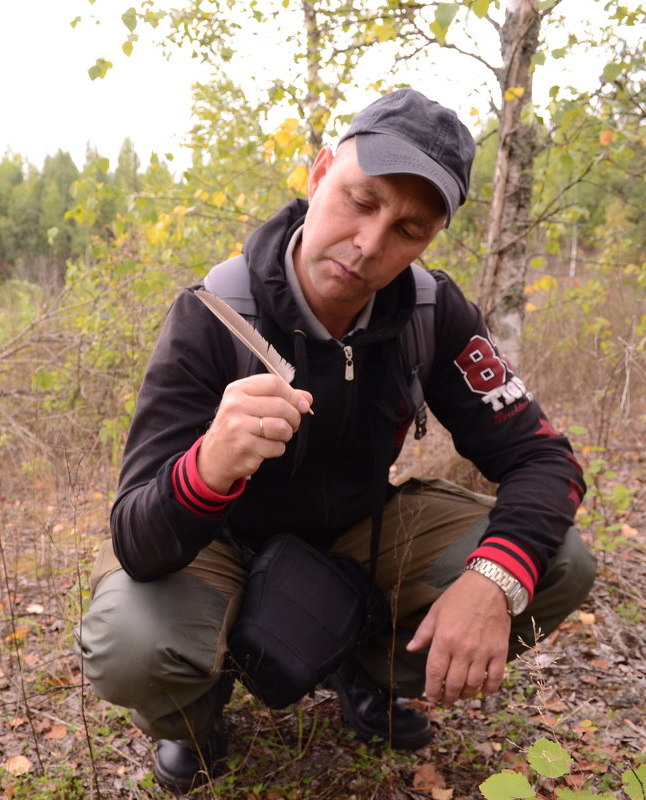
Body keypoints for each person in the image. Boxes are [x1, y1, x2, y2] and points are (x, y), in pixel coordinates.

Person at [77, 87, 596, 794]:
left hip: (358, 535)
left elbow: (543, 458)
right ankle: (197, 714)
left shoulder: (431, 313)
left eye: (409, 230)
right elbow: (136, 536)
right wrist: (207, 468)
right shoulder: (214, 314)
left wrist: (491, 581)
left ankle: (363, 666)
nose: (371, 244)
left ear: (431, 239)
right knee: (130, 644)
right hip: (221, 546)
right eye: (362, 199)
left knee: (557, 564)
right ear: (320, 174)